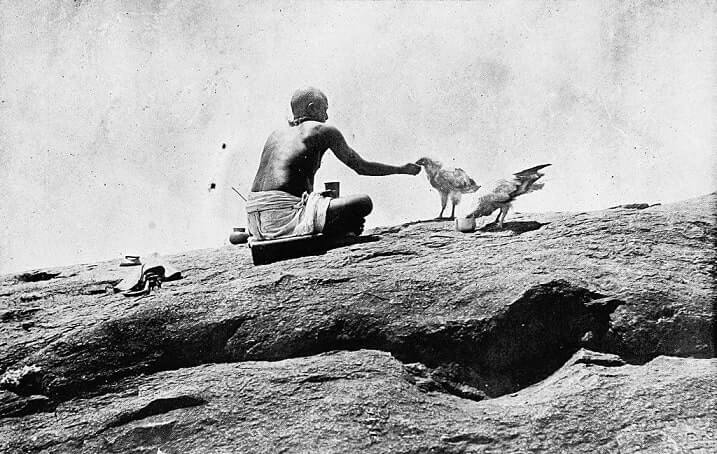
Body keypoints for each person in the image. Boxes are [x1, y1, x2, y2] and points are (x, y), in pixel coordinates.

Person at [247, 87, 421, 240]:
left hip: (254, 219)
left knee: (338, 208)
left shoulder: (275, 134)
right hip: (284, 216)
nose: (326, 116)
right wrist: (400, 169)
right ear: (312, 108)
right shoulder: (323, 130)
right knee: (363, 202)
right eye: (324, 109)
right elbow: (361, 167)